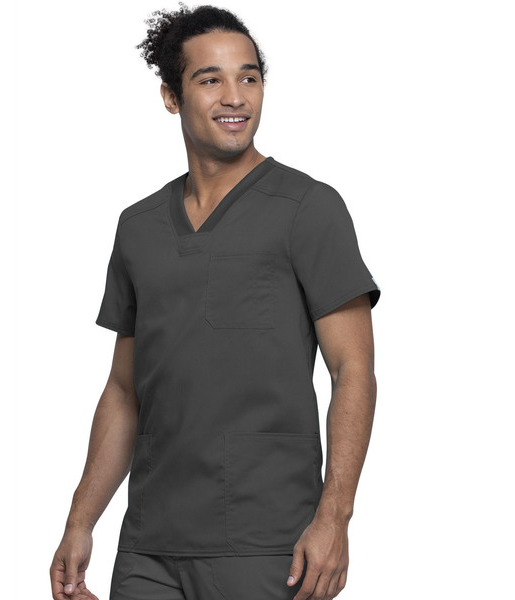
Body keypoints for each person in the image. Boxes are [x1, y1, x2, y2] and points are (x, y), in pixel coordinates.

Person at [49, 4, 381, 600]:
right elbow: (123, 390)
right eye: (211, 79)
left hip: (268, 544)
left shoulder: (308, 209)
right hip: (149, 547)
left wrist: (335, 517)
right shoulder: (138, 227)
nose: (235, 97)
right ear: (171, 97)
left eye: (249, 77)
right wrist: (80, 521)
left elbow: (353, 370)